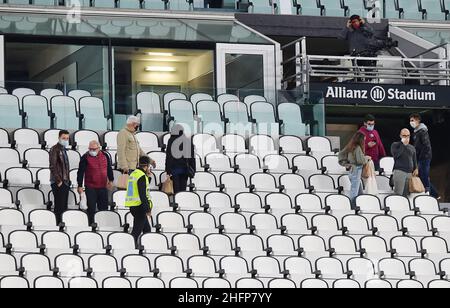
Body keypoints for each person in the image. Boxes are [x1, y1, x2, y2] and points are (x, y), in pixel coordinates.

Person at [77, 141, 115, 226]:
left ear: (99, 148)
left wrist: (111, 180)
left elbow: (109, 168)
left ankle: (103, 225)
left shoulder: (105, 156)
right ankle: (91, 225)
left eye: (94, 149)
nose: (92, 151)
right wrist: (79, 185)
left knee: (103, 208)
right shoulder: (85, 157)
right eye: (90, 149)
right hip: (90, 187)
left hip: (103, 187)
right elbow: (80, 172)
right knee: (91, 209)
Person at [410, 114, 440, 199]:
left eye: (412, 120)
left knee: (424, 175)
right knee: (421, 176)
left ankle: (427, 192)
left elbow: (426, 146)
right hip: (419, 157)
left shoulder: (422, 131)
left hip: (424, 157)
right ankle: (435, 194)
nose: (411, 122)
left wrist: (421, 157)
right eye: (410, 120)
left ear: (418, 120)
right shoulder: (416, 132)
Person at [125, 156, 153, 245]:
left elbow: (138, 187)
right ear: (147, 166)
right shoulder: (141, 176)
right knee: (136, 232)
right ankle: (131, 247)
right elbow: (142, 194)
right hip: (140, 207)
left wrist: (148, 176)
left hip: (133, 206)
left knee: (147, 230)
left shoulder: (134, 174)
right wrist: (148, 209)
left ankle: (147, 246)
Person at [341, 131, 370, 207]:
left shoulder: (350, 146)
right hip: (356, 170)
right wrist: (366, 158)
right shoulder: (357, 148)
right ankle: (352, 207)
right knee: (354, 191)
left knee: (359, 190)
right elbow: (360, 160)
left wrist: (346, 164)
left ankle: (361, 204)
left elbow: (341, 154)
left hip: (352, 170)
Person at [165, 124, 196, 194]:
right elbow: (192, 157)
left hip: (174, 169)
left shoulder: (171, 141)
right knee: (183, 189)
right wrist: (193, 169)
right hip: (185, 169)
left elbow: (169, 157)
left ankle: (176, 203)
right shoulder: (187, 140)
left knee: (176, 190)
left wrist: (168, 170)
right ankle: (181, 202)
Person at [49, 130, 71, 225]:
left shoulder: (64, 149)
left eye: (67, 138)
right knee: (59, 206)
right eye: (64, 138)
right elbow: (52, 166)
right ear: (59, 138)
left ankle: (62, 223)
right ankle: (58, 224)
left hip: (65, 182)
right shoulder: (55, 149)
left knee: (64, 206)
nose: (65, 140)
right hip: (59, 182)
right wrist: (59, 181)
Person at [391, 129, 419, 197]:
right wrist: (403, 144)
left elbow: (414, 160)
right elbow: (396, 155)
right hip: (399, 172)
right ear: (400, 136)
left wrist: (416, 168)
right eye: (404, 136)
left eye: (408, 136)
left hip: (410, 173)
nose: (406, 137)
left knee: (407, 195)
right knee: (398, 194)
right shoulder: (395, 145)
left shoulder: (412, 147)